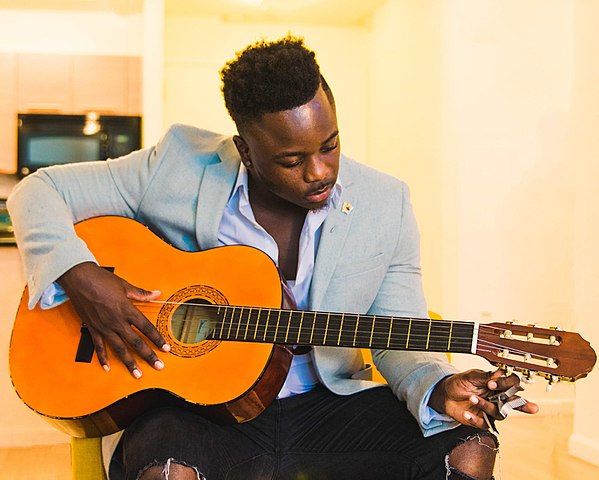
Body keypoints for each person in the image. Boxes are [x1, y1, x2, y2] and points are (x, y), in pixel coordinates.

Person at [8, 35, 538, 480]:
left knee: (466, 449)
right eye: (291, 159)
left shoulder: (386, 202)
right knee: (166, 469)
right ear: (244, 147)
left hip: (330, 405)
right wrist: (81, 276)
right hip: (202, 413)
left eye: (329, 145)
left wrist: (438, 384)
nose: (320, 172)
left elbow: (398, 325)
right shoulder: (177, 164)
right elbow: (38, 191)